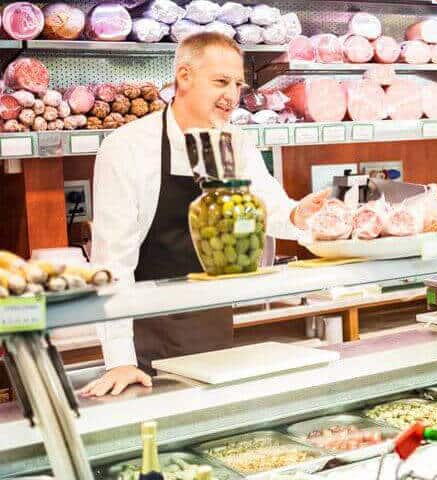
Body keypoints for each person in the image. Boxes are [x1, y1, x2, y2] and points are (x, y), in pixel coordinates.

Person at [80, 32, 328, 397]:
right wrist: (120, 359)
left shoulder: (233, 142)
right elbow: (113, 260)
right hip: (146, 333)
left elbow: (266, 206)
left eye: (238, 84)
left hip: (212, 318)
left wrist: (297, 215)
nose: (232, 95)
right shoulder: (129, 147)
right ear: (184, 76)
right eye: (220, 82)